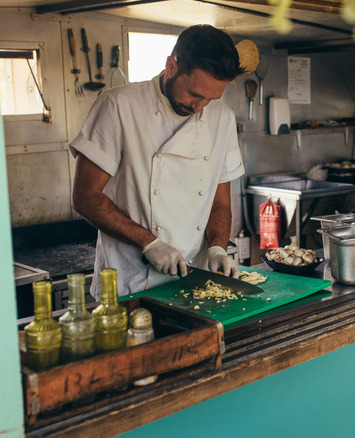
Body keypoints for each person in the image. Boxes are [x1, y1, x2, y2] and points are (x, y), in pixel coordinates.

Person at [70, 25, 247, 298]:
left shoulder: (222, 119)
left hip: (194, 286)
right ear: (171, 65)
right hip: (132, 284)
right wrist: (149, 244)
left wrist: (218, 248)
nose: (199, 108)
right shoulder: (118, 106)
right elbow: (85, 197)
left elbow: (220, 202)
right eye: (195, 94)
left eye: (211, 99)